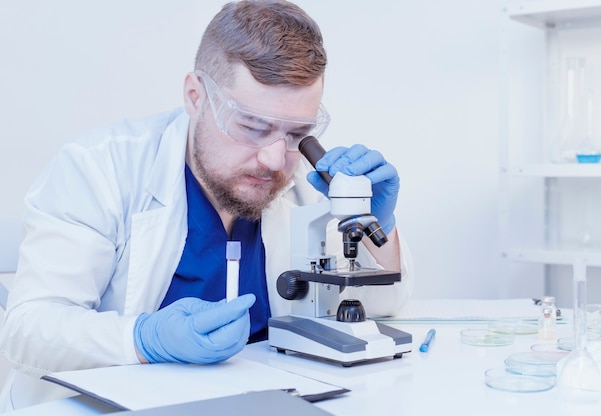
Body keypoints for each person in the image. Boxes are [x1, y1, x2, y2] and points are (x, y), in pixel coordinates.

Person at [0, 0, 413, 410]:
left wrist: (380, 226)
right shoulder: (101, 168)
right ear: (196, 96)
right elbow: (29, 328)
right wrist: (143, 338)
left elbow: (380, 307)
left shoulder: (308, 187)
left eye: (296, 134)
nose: (273, 159)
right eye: (253, 126)